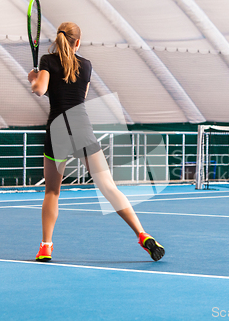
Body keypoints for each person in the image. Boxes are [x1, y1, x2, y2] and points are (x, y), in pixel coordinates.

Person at [27, 22, 165, 262]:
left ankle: (46, 246)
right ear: (77, 42)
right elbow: (77, 96)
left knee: (52, 192)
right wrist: (42, 82)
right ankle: (142, 234)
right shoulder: (87, 65)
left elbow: (41, 90)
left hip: (58, 129)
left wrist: (33, 79)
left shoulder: (47, 62)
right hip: (81, 127)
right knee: (109, 187)